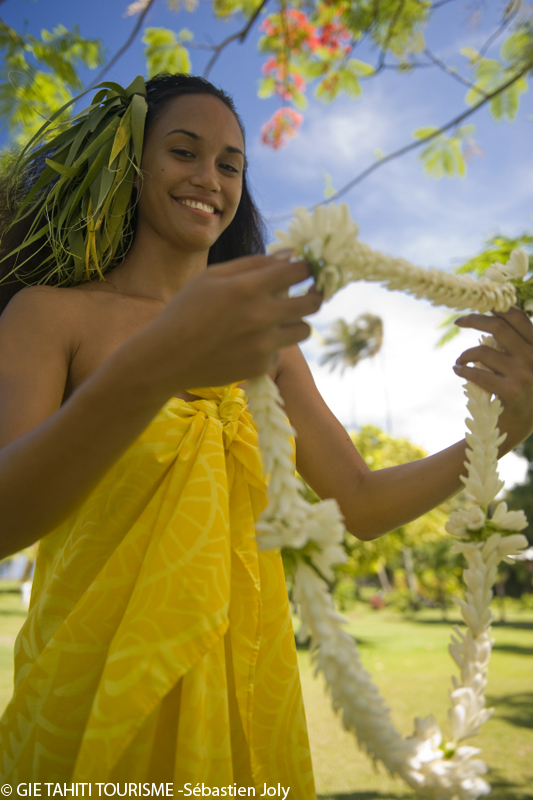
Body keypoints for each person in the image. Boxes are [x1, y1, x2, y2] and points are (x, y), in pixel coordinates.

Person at [0, 72, 532, 789]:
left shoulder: (268, 346)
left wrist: (498, 437)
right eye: (182, 152)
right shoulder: (49, 315)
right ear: (130, 161)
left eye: (229, 164)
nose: (208, 179)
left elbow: (360, 502)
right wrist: (155, 364)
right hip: (92, 686)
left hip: (245, 688)